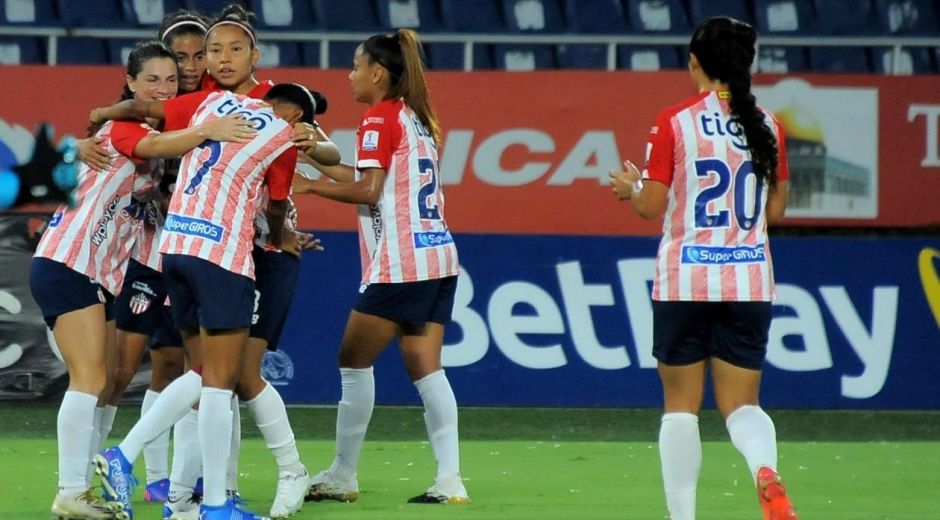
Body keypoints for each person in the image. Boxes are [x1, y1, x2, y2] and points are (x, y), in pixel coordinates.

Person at [31, 40, 254, 520]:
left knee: (104, 377)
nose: (164, 87)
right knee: (90, 377)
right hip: (68, 261)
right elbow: (153, 145)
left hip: (92, 270)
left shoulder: (129, 131)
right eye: (152, 80)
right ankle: (71, 491)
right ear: (132, 83)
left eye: (171, 80)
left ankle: (84, 483)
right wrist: (209, 129)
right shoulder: (127, 128)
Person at [608, 16, 797, 520]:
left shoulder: (675, 121)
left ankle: (683, 517)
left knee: (680, 407)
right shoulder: (770, 125)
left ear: (694, 63)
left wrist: (630, 189)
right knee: (742, 405)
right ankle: (763, 467)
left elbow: (650, 206)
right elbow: (775, 213)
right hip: (750, 280)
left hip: (685, 280)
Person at [293, 29, 468, 505]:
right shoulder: (415, 118)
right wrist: (315, 164)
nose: (349, 75)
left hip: (401, 263)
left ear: (377, 73)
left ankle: (343, 474)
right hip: (438, 256)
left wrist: (308, 188)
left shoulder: (376, 118)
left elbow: (369, 191)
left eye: (355, 66)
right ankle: (450, 480)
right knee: (427, 369)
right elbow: (374, 180)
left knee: (352, 359)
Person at [102, 12, 213, 507]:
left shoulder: (212, 102)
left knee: (192, 366)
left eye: (193, 59)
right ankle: (112, 470)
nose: (185, 70)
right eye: (175, 61)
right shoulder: (138, 117)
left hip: (196, 254)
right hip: (147, 255)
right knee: (126, 369)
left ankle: (177, 481)